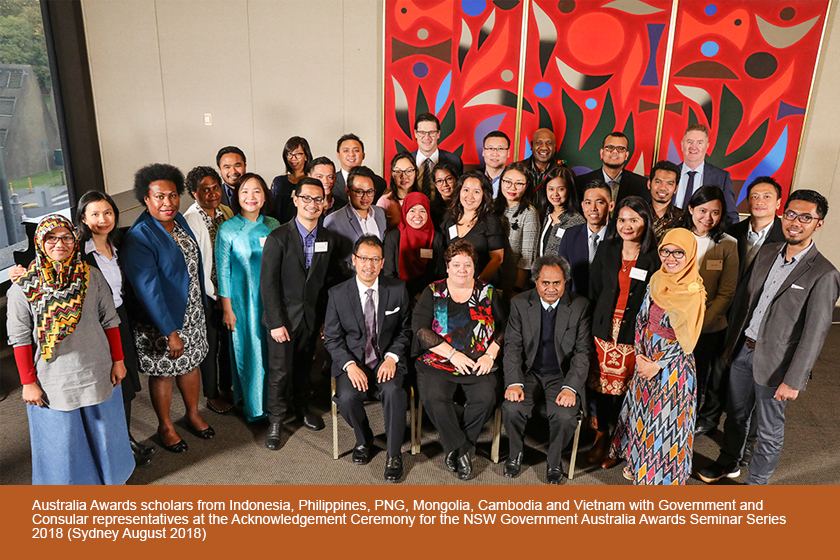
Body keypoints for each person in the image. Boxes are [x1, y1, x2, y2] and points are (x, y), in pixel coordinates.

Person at [698, 190, 840, 485]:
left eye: (806, 217)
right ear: (782, 215)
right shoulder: (767, 252)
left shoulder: (824, 274)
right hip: (743, 352)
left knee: (768, 429)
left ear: (819, 223)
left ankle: (757, 483)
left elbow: (815, 334)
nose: (795, 222)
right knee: (735, 416)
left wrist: (795, 380)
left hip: (778, 365)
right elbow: (745, 303)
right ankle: (729, 462)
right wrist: (730, 349)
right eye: (790, 214)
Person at [8, 214, 135, 484]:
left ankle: (111, 485)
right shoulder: (24, 286)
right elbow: (19, 338)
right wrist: (28, 382)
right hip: (53, 378)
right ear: (39, 242)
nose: (59, 243)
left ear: (75, 240)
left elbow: (110, 320)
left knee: (105, 436)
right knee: (63, 444)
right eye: (51, 238)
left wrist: (119, 360)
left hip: (97, 368)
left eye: (66, 237)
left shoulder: (91, 276)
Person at [122, 163, 213, 453]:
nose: (167, 202)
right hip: (161, 319)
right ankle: (166, 426)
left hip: (192, 310)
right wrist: (170, 331)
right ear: (146, 199)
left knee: (191, 363)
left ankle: (194, 414)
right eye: (159, 197)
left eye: (173, 195)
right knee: (164, 372)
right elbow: (149, 291)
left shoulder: (178, 222)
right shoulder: (140, 237)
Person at [612, 228, 706, 484]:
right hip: (646, 358)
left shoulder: (694, 291)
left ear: (690, 255)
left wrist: (658, 364)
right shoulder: (656, 279)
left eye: (679, 252)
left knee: (662, 422)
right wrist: (641, 356)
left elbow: (688, 341)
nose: (671, 257)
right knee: (641, 414)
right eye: (666, 251)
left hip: (672, 368)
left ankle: (657, 475)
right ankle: (637, 462)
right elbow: (642, 318)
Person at [698, 177, 786, 442]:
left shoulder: (785, 237)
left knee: (750, 378)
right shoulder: (732, 233)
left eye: (767, 196)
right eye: (755, 196)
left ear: (778, 203)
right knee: (718, 367)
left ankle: (744, 436)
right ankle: (710, 417)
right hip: (728, 312)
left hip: (761, 319)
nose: (760, 201)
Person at [412, 240, 506, 480]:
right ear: (447, 267)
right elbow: (421, 330)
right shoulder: (433, 291)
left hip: (477, 363)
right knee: (433, 398)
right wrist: (453, 354)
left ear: (475, 267)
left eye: (467, 264)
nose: (462, 269)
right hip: (439, 360)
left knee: (486, 398)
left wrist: (490, 353)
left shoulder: (488, 292)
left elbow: (506, 327)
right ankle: (462, 450)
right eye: (456, 264)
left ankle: (455, 446)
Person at [260, 178, 340, 449]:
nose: (312, 204)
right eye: (306, 198)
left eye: (318, 199)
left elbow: (327, 282)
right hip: (282, 320)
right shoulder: (278, 237)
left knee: (306, 368)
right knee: (280, 371)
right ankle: (276, 420)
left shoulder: (328, 238)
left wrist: (324, 320)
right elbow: (267, 284)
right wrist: (275, 322)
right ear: (295, 200)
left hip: (311, 318)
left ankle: (302, 408)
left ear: (325, 203)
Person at [324, 235, 412, 482]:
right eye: (363, 258)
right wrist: (350, 366)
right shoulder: (337, 294)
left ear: (382, 262)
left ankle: (394, 455)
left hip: (387, 361)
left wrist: (393, 357)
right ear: (354, 260)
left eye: (375, 259)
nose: (369, 265)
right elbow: (331, 337)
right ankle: (364, 439)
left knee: (394, 393)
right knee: (347, 397)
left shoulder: (397, 289)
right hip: (354, 361)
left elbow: (406, 329)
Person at [502, 255, 592, 484]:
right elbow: (512, 346)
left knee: (565, 415)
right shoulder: (520, 303)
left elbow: (583, 353)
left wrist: (571, 387)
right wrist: (513, 382)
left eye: (557, 283)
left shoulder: (580, 306)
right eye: (545, 282)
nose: (551, 288)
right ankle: (515, 453)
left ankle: (554, 460)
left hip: (561, 375)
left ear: (565, 282)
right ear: (535, 281)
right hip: (529, 372)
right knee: (512, 408)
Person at [587, 196, 659, 468]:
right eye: (621, 220)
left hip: (633, 335)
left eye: (634, 220)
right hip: (604, 330)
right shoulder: (607, 248)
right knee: (602, 390)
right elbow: (594, 289)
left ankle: (622, 443)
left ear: (645, 222)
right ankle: (602, 437)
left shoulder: (654, 255)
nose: (626, 226)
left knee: (626, 392)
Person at [216, 173, 280, 422]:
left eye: (256, 191)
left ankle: (276, 404)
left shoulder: (274, 225)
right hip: (243, 303)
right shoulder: (228, 228)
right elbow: (222, 271)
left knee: (273, 351)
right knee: (251, 350)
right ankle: (256, 407)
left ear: (264, 197)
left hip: (272, 300)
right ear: (236, 196)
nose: (250, 197)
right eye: (245, 191)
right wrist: (227, 309)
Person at [679, 186, 738, 436]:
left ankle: (687, 424)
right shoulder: (676, 236)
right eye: (703, 210)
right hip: (674, 323)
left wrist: (699, 324)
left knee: (696, 378)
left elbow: (727, 292)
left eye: (715, 212)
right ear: (691, 209)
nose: (708, 218)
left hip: (707, 327)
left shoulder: (728, 244)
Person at [183, 166, 235, 415]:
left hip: (227, 290)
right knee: (210, 345)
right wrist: (212, 294)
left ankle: (226, 387)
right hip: (206, 293)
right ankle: (212, 395)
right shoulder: (191, 219)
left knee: (227, 343)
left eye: (216, 187)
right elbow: (195, 264)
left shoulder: (224, 212)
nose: (213, 193)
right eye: (206, 190)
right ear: (194, 193)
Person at [441, 171, 505, 283]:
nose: (470, 196)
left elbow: (497, 259)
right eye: (466, 190)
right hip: (453, 283)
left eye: (476, 191)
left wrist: (477, 284)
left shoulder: (490, 221)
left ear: (484, 195)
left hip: (480, 284)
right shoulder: (450, 217)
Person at [324, 166, 388, 276]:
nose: (365, 197)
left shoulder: (380, 213)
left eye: (370, 191)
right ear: (348, 191)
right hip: (349, 282)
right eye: (359, 192)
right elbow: (331, 261)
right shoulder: (334, 220)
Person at [383, 192, 445, 301]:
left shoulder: (437, 238)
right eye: (412, 211)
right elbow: (389, 274)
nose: (417, 215)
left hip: (428, 296)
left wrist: (424, 297)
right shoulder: (393, 237)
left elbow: (440, 274)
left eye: (422, 211)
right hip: (399, 296)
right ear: (405, 212)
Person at [557, 180, 614, 296]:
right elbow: (563, 276)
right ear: (582, 205)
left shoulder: (619, 236)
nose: (593, 208)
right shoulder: (570, 235)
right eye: (588, 203)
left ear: (611, 206)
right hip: (577, 304)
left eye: (599, 202)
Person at [674, 124, 739, 223]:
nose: (693, 147)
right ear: (682, 145)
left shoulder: (721, 177)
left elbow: (731, 216)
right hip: (671, 235)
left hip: (706, 236)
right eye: (689, 142)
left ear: (707, 146)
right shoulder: (670, 173)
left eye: (699, 143)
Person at [495, 161, 540, 297]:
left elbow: (527, 257)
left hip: (512, 282)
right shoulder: (491, 207)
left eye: (519, 183)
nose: (512, 188)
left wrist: (517, 289)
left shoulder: (529, 213)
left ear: (526, 186)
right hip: (490, 277)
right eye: (507, 182)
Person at [574, 132, 648, 205]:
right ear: (601, 153)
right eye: (609, 147)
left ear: (626, 155)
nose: (615, 151)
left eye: (620, 148)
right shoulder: (581, 182)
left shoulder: (641, 184)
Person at [412, 112, 464, 197]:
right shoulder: (406, 161)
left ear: (438, 134)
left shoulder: (454, 161)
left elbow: (458, 193)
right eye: (422, 132)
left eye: (431, 132)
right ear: (415, 134)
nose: (426, 137)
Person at [538, 166, 585, 257]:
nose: (555, 194)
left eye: (560, 189)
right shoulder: (543, 216)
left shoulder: (577, 221)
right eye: (551, 189)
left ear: (569, 190)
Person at [333, 134, 387, 205]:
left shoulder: (379, 182)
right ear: (338, 155)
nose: (351, 154)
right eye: (346, 151)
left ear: (363, 155)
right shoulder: (330, 182)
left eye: (356, 150)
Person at [271, 136, 313, 224]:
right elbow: (273, 209)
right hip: (281, 229)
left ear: (306, 156)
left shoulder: (312, 182)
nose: (293, 158)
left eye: (298, 154)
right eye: (289, 154)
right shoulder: (279, 182)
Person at [378, 152, 417, 230]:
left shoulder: (422, 199)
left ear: (416, 172)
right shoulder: (384, 201)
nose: (404, 176)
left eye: (409, 171)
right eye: (398, 172)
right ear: (392, 174)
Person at [518, 128, 562, 199]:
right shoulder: (518, 169)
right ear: (532, 146)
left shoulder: (563, 172)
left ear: (554, 146)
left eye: (549, 143)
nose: (544, 147)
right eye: (539, 143)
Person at [647, 160, 684, 243]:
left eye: (669, 183)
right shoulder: (637, 214)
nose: (663, 188)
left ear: (676, 189)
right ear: (649, 184)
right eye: (658, 182)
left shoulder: (683, 218)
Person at [481, 130, 510, 197]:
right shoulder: (473, 177)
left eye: (500, 148)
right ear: (483, 151)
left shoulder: (514, 181)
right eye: (490, 148)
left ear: (508, 152)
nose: (495, 153)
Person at [429, 161, 458, 227]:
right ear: (435, 184)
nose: (445, 184)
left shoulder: (466, 205)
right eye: (439, 181)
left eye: (449, 179)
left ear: (457, 179)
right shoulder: (431, 209)